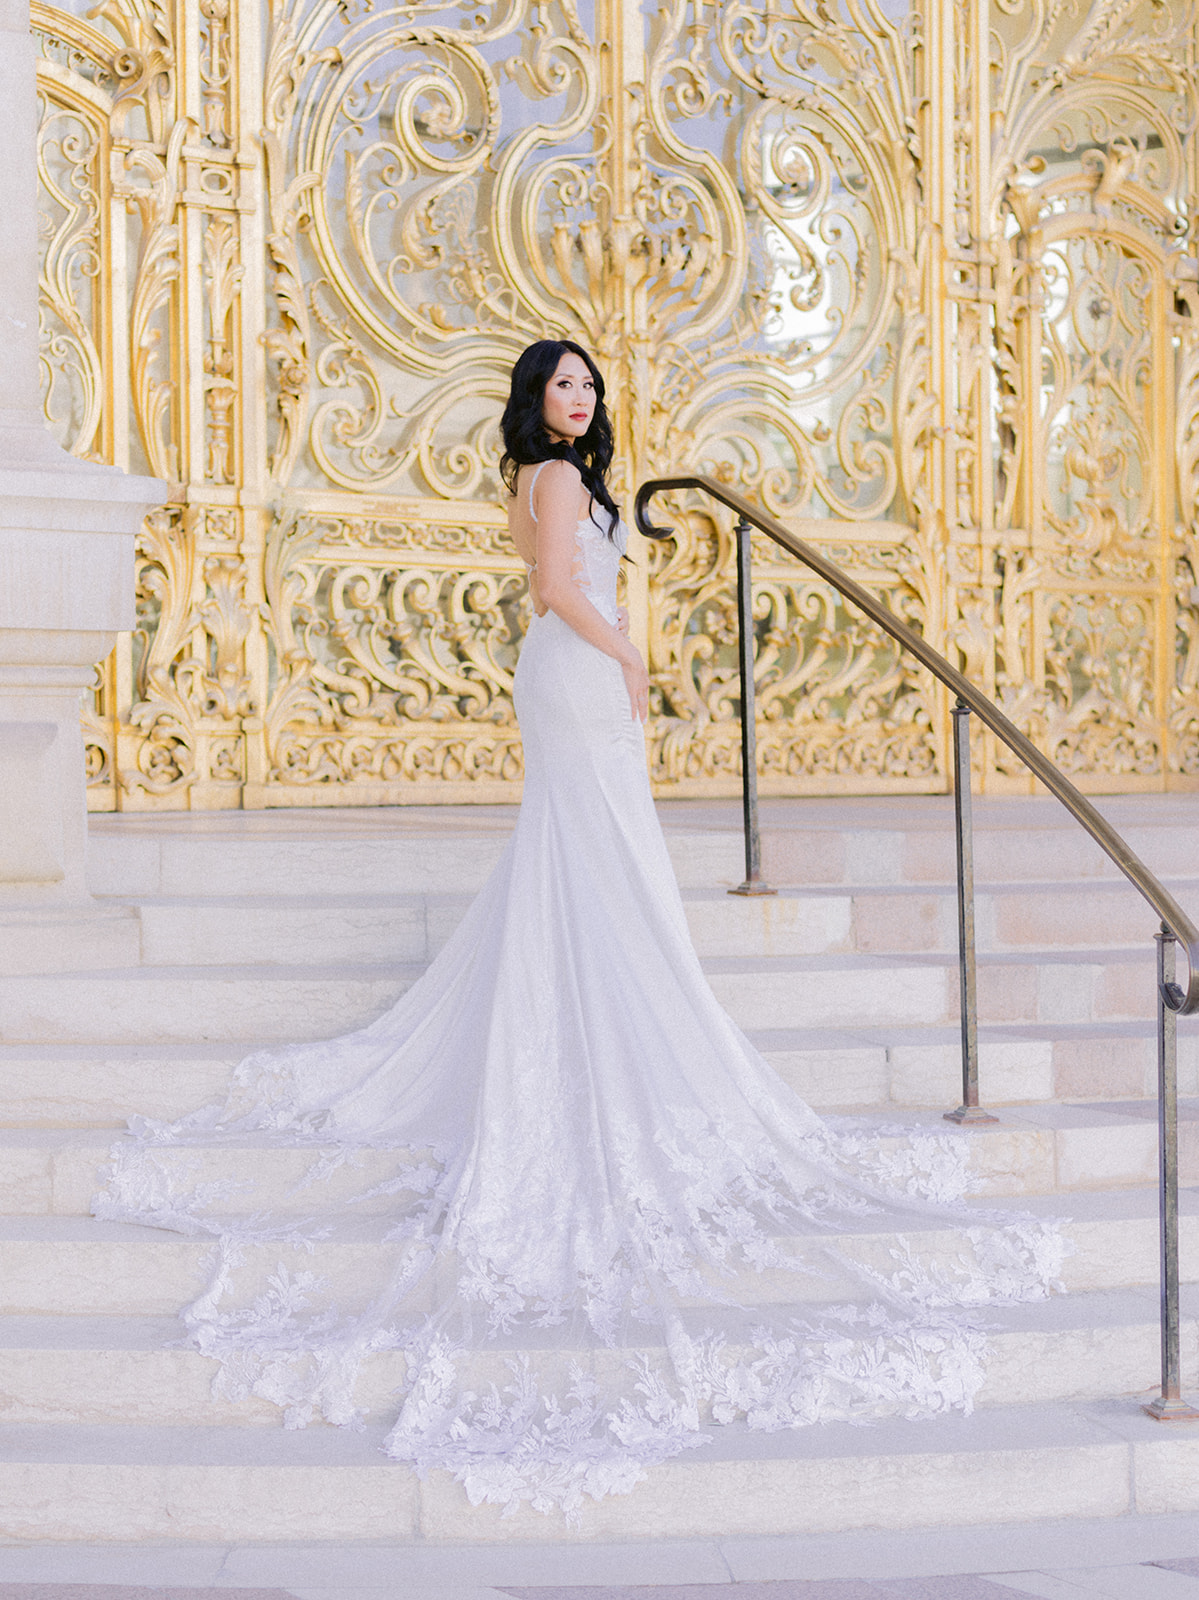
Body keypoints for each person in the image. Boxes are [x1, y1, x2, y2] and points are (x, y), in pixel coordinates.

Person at [97, 339, 1065, 1520]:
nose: (582, 398)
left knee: (592, 862)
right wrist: (627, 653)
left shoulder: (564, 474)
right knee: (599, 858)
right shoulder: (553, 479)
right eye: (565, 385)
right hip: (569, 666)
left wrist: (611, 650)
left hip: (569, 672)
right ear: (534, 400)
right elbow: (560, 588)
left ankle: (594, 1020)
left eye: (590, 386)